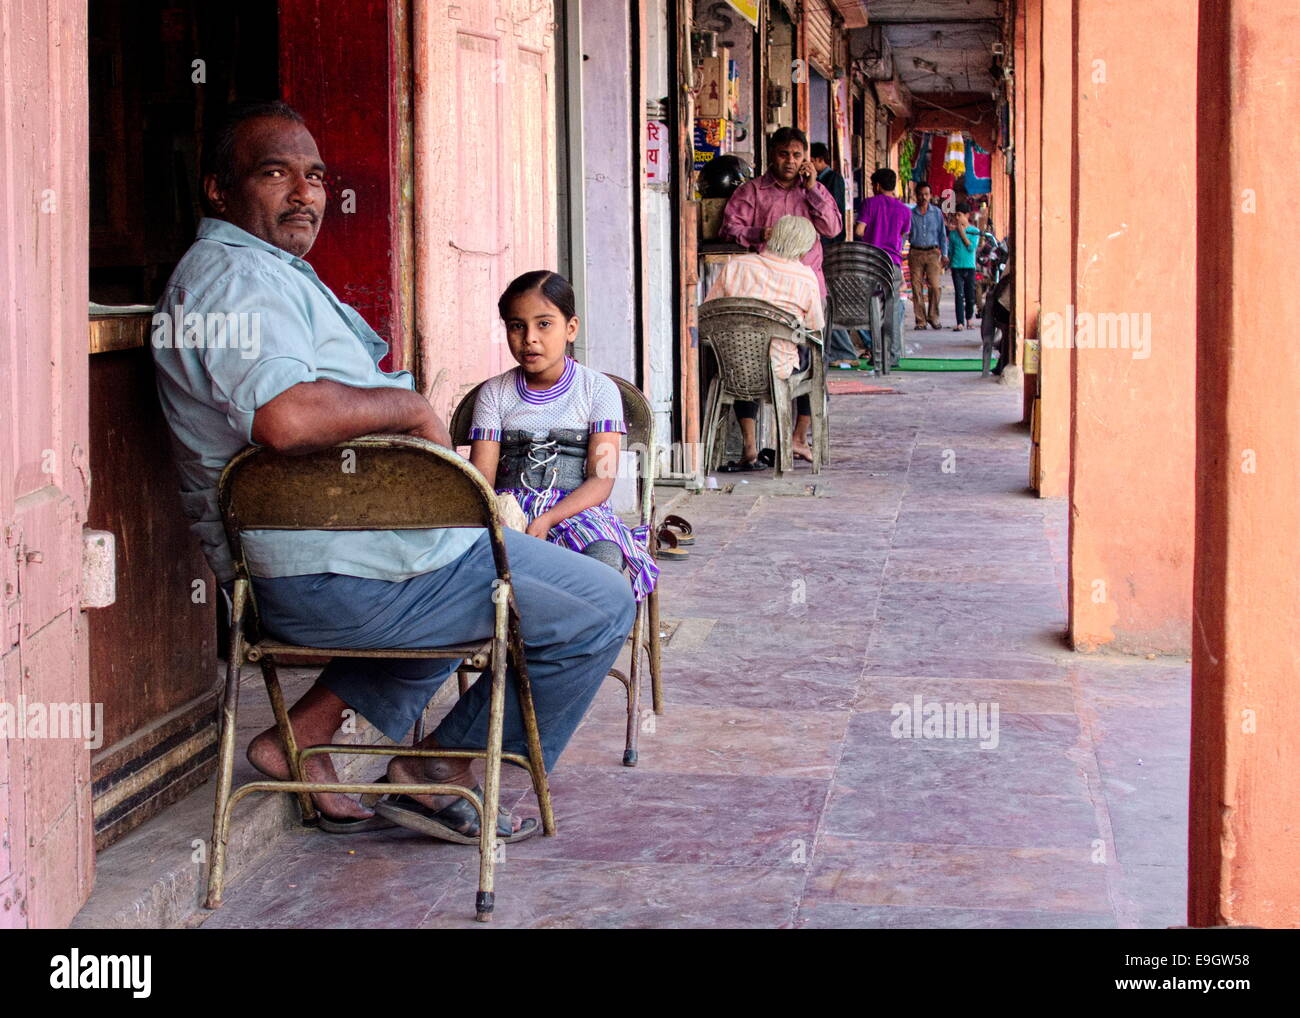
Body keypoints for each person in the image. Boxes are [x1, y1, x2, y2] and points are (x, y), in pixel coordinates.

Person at [150, 101, 635, 844]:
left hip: (362, 559)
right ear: (218, 189)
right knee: (600, 606)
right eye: (276, 173)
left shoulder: (258, 272)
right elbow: (284, 418)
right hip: (333, 578)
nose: (305, 193)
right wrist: (409, 410)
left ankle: (299, 736)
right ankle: (439, 772)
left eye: (315, 177)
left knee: (483, 577)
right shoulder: (232, 281)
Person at [468, 270, 659, 601]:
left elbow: (601, 481)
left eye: (544, 324)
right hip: (508, 510)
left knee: (603, 570)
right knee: (475, 569)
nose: (530, 337)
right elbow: (482, 479)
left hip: (578, 510)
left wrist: (549, 518)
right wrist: (506, 519)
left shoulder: (599, 390)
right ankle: (509, 643)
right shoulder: (494, 393)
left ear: (571, 328)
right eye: (517, 326)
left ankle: (578, 645)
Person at [705, 215, 824, 470]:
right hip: (779, 369)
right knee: (814, 363)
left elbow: (708, 310)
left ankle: (749, 446)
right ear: (803, 246)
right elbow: (815, 326)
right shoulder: (805, 277)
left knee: (745, 353)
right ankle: (799, 437)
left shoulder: (738, 265)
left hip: (732, 366)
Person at [719, 126, 843, 297]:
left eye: (797, 155)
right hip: (765, 288)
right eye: (783, 154)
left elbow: (832, 229)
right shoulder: (752, 191)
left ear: (805, 159)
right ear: (772, 154)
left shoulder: (817, 190)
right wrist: (759, 234)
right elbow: (728, 230)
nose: (790, 161)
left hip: (807, 289)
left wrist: (812, 190)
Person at [852, 167, 910, 367]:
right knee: (891, 310)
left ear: (877, 186)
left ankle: (876, 352)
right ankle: (891, 356)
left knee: (871, 309)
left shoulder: (869, 203)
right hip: (892, 264)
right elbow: (903, 233)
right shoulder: (904, 210)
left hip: (871, 263)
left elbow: (859, 230)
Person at [907, 181, 949, 329]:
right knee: (916, 288)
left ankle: (933, 316)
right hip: (915, 253)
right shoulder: (910, 214)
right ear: (916, 196)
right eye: (920, 194)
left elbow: (942, 235)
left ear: (930, 196)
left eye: (926, 194)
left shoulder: (937, 213)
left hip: (932, 253)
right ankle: (920, 320)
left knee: (935, 287)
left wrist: (945, 253)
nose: (923, 197)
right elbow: (905, 234)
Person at [948, 201, 980, 330]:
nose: (957, 218)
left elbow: (971, 248)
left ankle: (969, 318)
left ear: (967, 215)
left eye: (959, 215)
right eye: (956, 215)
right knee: (959, 295)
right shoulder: (952, 233)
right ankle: (960, 322)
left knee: (970, 295)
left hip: (969, 267)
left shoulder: (974, 231)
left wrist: (962, 233)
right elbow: (950, 251)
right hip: (956, 267)